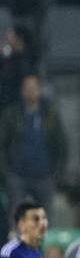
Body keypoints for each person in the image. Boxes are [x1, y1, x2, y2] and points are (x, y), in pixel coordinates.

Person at [0, 76, 67, 209]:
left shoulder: (50, 115)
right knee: (17, 218)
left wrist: (57, 174)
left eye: (33, 88)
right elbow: (2, 144)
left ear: (39, 90)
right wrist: (5, 172)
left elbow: (62, 146)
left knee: (44, 221)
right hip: (17, 177)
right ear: (22, 91)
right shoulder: (11, 115)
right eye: (27, 88)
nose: (30, 91)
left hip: (44, 177)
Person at [0, 25, 37, 110]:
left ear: (19, 38)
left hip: (15, 105)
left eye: (10, 35)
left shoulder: (26, 60)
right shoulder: (9, 57)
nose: (7, 38)